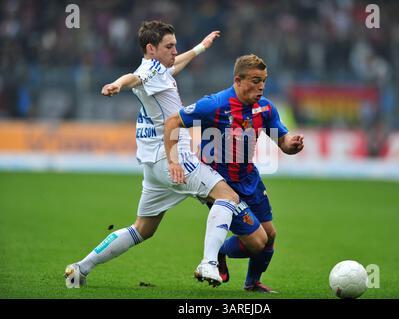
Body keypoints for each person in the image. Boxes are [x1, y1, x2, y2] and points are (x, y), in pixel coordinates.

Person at [64, 20, 244, 288]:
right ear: (151, 48)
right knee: (228, 197)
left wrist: (199, 48)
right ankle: (209, 262)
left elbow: (173, 67)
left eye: (175, 46)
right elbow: (133, 78)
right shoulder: (148, 71)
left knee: (142, 229)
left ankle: (81, 268)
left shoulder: (160, 70)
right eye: (169, 46)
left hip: (153, 164)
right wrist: (116, 83)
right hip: (174, 159)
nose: (174, 50)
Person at [164, 54, 304, 292]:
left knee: (269, 235)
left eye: (264, 81)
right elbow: (172, 122)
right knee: (257, 242)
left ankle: (252, 283)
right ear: (237, 80)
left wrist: (292, 144)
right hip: (221, 184)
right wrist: (173, 160)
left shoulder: (265, 108)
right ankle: (218, 250)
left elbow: (283, 141)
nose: (261, 86)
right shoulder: (215, 104)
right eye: (255, 80)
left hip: (249, 178)